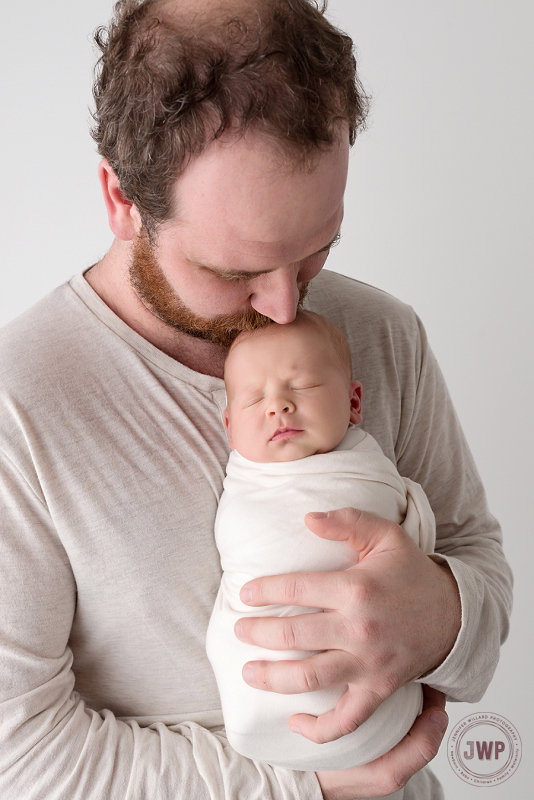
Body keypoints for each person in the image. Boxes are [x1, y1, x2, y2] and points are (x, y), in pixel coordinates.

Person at [0, 1, 512, 799]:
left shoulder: (381, 332)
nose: (283, 306)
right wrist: (307, 787)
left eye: (315, 253)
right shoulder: (18, 406)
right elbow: (20, 754)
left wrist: (444, 616)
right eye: (237, 272)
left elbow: (481, 566)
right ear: (120, 201)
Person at [207, 311, 437, 771]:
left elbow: (431, 559)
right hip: (253, 720)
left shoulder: (365, 471)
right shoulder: (247, 486)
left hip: (383, 717)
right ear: (230, 428)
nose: (278, 406)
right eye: (254, 400)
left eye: (304, 385)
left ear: (354, 403)